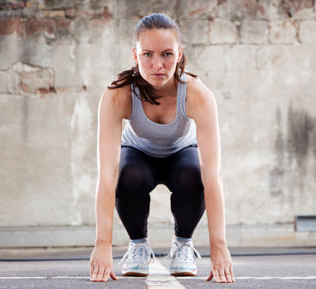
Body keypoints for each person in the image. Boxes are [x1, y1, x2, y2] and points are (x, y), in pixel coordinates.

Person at [89, 13, 235, 283]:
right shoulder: (117, 93)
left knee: (193, 174)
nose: (157, 64)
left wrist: (219, 246)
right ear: (135, 55)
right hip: (138, 156)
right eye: (148, 54)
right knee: (126, 173)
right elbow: (107, 173)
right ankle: (138, 245)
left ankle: (182, 244)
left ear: (180, 54)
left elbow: (212, 176)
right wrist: (102, 244)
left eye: (167, 54)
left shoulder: (196, 93)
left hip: (181, 155)